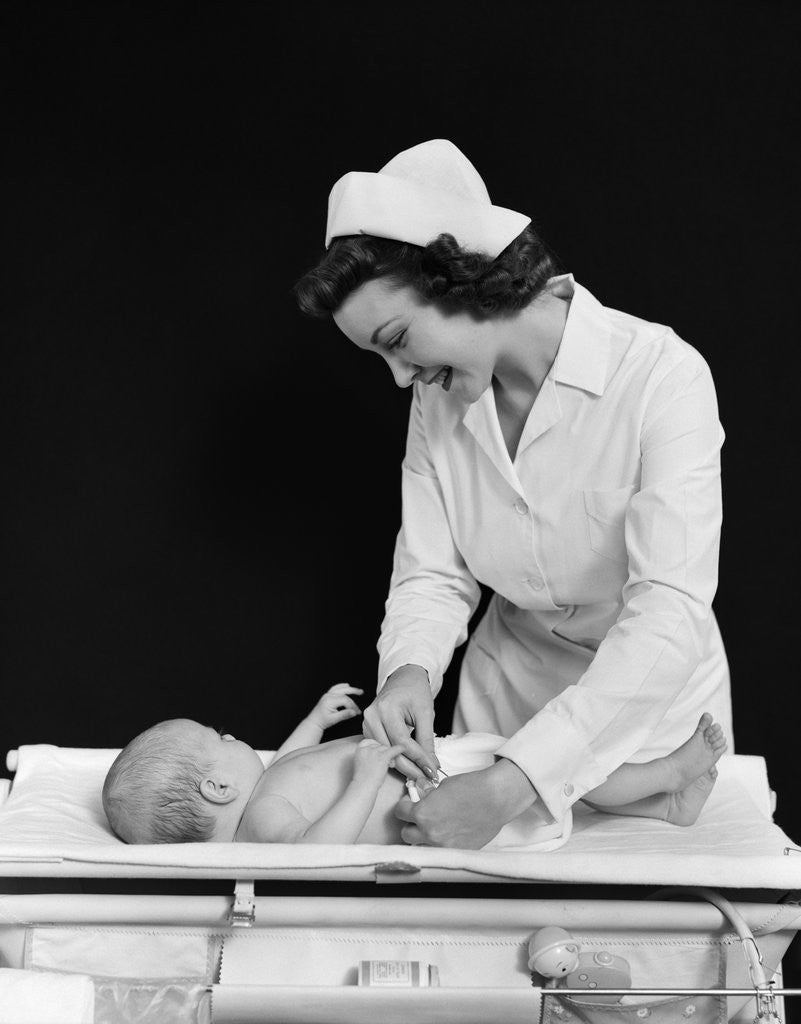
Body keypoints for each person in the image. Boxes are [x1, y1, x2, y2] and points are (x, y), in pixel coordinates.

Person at [292, 139, 733, 849]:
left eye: (398, 340)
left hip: (653, 716)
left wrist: (514, 784)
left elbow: (668, 612)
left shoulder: (660, 377)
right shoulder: (438, 403)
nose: (400, 378)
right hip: (506, 692)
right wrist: (407, 675)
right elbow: (433, 571)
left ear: (463, 278)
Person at [102, 683, 727, 846]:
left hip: (438, 770)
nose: (232, 732)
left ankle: (666, 804)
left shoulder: (266, 788)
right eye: (219, 735)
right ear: (217, 787)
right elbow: (318, 853)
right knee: (557, 774)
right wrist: (366, 780)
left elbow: (289, 761)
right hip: (444, 799)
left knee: (556, 777)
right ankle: (667, 781)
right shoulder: (264, 826)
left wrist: (317, 722)